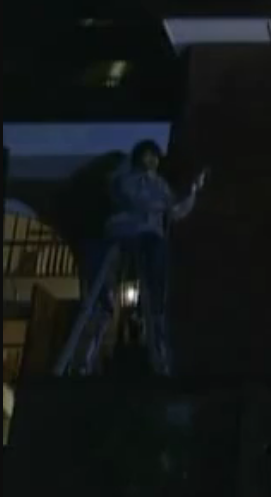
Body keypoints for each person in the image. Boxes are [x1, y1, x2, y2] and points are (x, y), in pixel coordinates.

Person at [102, 140, 206, 374]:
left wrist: (193, 192)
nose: (152, 161)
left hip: (151, 235)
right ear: (139, 157)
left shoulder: (160, 184)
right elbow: (138, 200)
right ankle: (111, 303)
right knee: (150, 248)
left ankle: (156, 308)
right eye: (148, 155)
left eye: (155, 157)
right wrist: (161, 206)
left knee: (160, 260)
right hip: (129, 231)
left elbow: (174, 211)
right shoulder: (128, 179)